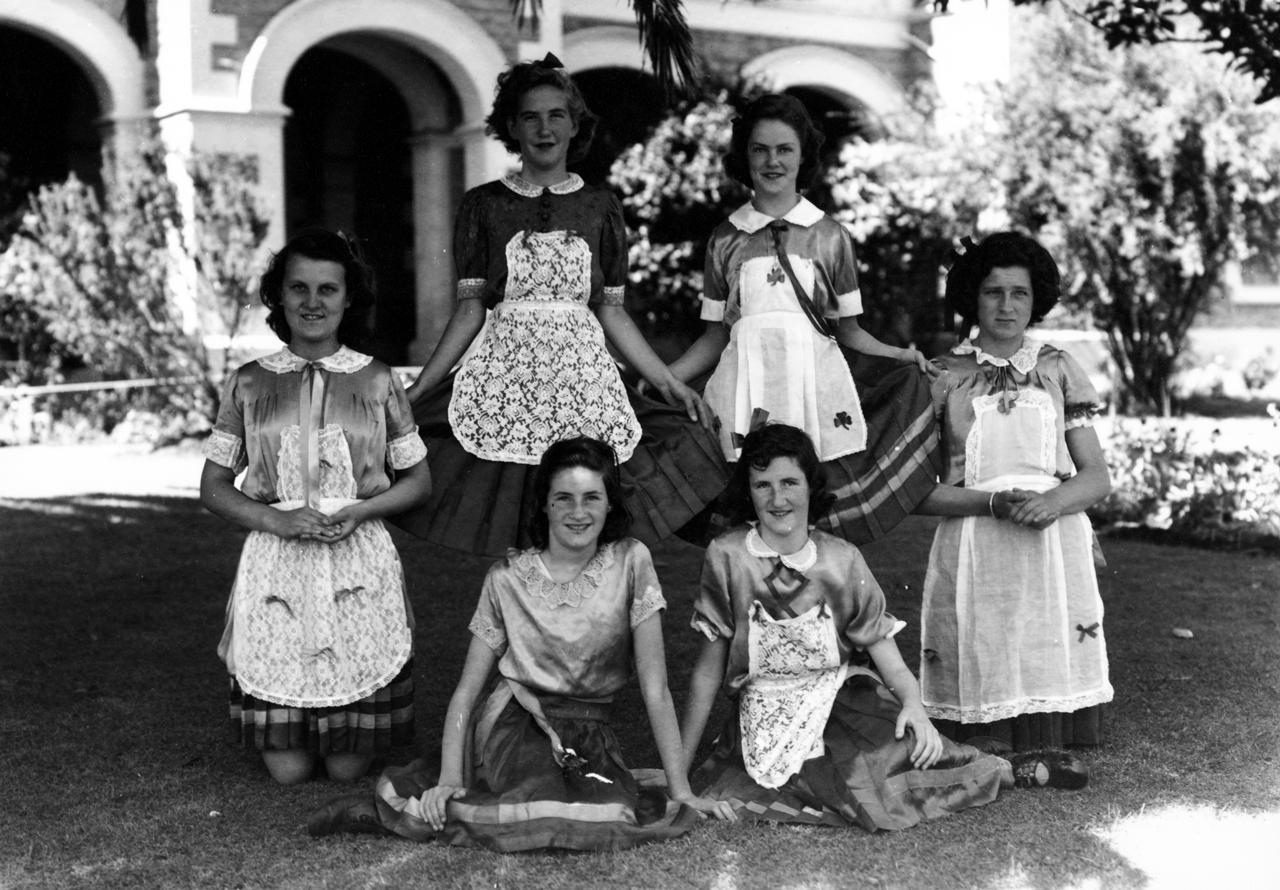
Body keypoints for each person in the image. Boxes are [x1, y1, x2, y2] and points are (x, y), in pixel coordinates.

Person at [310, 436, 735, 849]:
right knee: (529, 802)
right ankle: (398, 812)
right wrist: (451, 780)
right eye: (563, 498)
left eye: (591, 497)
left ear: (610, 504)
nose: (578, 511)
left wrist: (681, 792)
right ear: (545, 504)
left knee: (610, 809)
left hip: (589, 732)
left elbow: (655, 688)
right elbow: (466, 693)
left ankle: (434, 806)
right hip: (514, 723)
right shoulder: (507, 578)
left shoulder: (631, 561)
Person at [679, 424, 1086, 830]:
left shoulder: (841, 559)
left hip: (840, 700)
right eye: (762, 485)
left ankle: (1004, 769)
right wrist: (678, 774)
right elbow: (706, 672)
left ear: (810, 486)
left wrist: (915, 706)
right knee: (797, 786)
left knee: (895, 749)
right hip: (762, 715)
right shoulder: (727, 555)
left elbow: (888, 660)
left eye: (790, 482)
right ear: (747, 491)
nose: (778, 498)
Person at [397, 54, 725, 557]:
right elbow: (469, 310)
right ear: (511, 126)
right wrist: (419, 388)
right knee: (515, 519)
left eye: (556, 115)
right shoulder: (484, 204)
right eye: (530, 116)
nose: (544, 129)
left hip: (582, 376)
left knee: (592, 506)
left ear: (575, 125)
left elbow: (611, 310)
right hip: (506, 375)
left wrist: (668, 382)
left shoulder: (600, 207)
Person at [200, 228, 432, 785]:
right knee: (288, 771)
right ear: (279, 296)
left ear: (348, 298)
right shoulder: (249, 383)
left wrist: (360, 510)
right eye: (298, 288)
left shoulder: (377, 380)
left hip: (354, 552)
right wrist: (273, 518)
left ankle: (349, 727)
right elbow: (213, 485)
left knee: (348, 767)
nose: (312, 302)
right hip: (277, 557)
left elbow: (419, 481)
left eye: (327, 290)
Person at [666, 93, 940, 546]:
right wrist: (663, 379)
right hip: (746, 388)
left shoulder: (831, 237)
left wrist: (901, 355)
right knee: (751, 502)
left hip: (808, 387)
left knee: (807, 501)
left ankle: (811, 603)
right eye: (760, 149)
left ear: (802, 156)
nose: (772, 161)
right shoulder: (725, 238)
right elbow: (715, 336)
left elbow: (848, 331)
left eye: (784, 149)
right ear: (744, 156)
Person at [915, 231, 1113, 751]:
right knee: (983, 635)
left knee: (1043, 636)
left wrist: (1050, 502)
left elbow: (1096, 476)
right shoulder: (944, 375)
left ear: (1036, 299)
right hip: (976, 540)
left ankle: (1047, 733)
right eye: (993, 292)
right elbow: (918, 493)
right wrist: (992, 503)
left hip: (1052, 539)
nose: (1006, 306)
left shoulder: (1056, 368)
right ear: (972, 298)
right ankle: (986, 730)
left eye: (1019, 293)